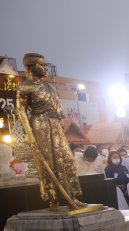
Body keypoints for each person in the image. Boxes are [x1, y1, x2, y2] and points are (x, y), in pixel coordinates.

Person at [16, 56, 84, 208]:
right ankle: (54, 198)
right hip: (40, 125)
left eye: (46, 65)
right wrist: (29, 132)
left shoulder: (50, 87)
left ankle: (71, 196)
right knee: (48, 161)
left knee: (66, 159)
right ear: (32, 67)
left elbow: (58, 109)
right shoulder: (25, 87)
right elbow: (20, 110)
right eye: (43, 65)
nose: (46, 68)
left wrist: (59, 124)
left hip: (55, 126)